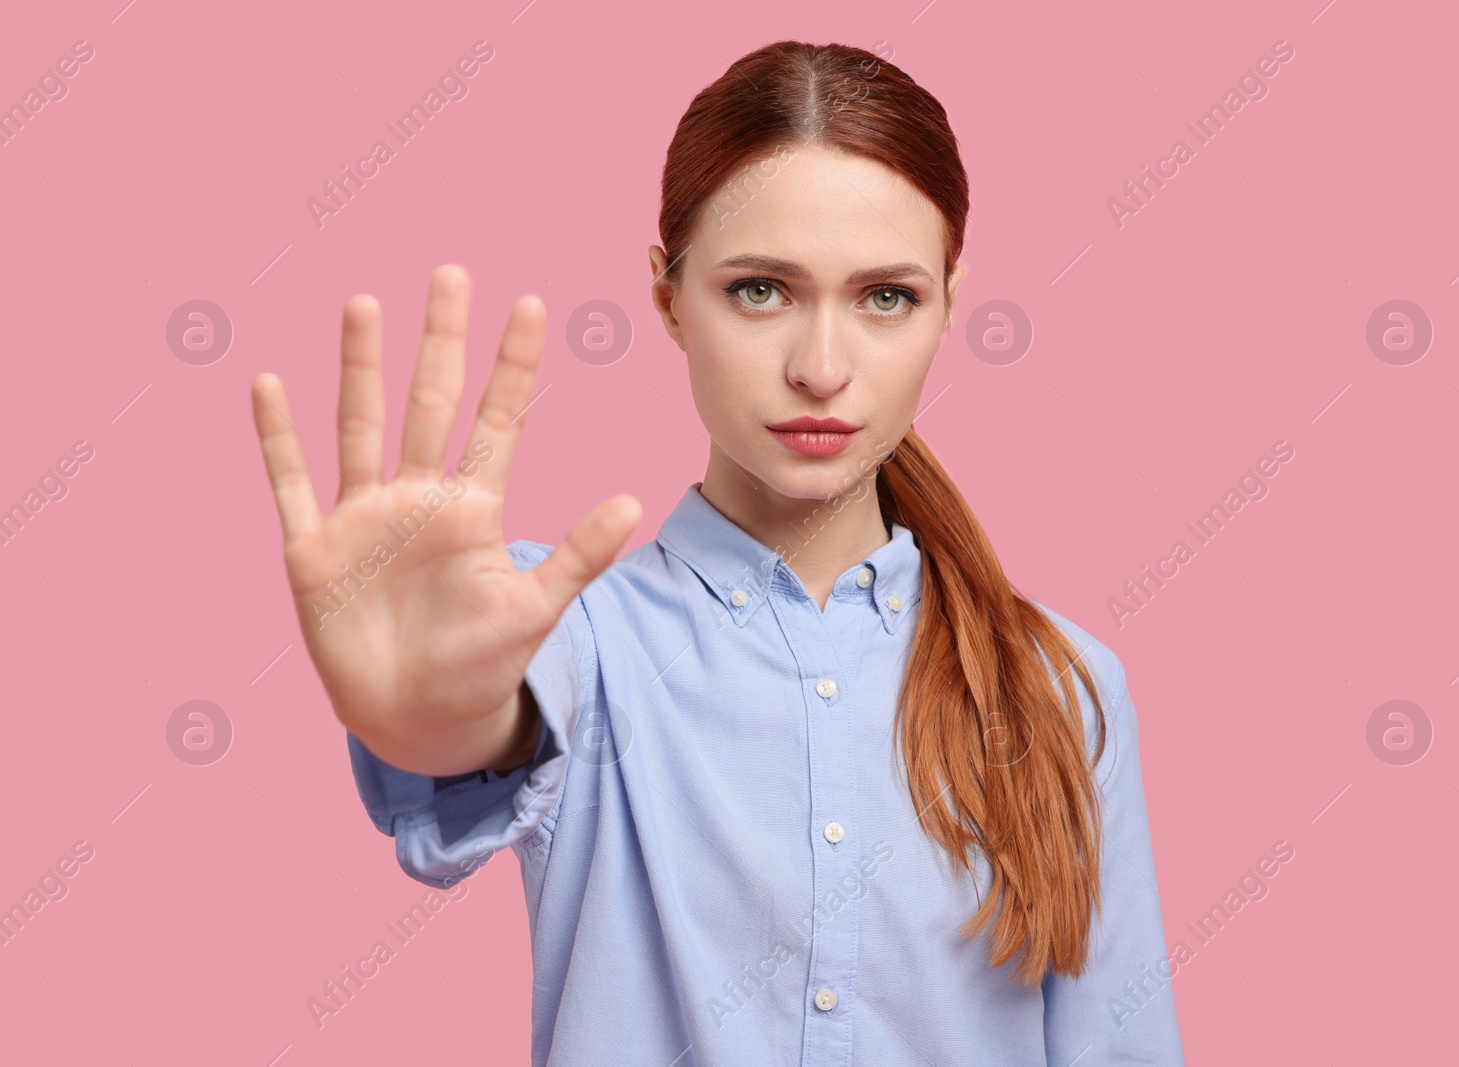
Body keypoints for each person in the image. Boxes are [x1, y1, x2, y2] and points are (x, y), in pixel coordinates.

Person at [250, 39, 1184, 1067]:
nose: (822, 369)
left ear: (948, 307)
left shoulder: (1066, 686)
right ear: (667, 298)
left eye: (885, 297)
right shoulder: (575, 636)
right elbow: (492, 706)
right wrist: (439, 709)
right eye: (759, 290)